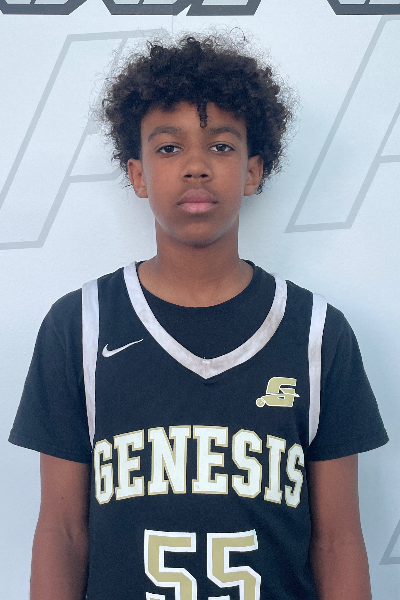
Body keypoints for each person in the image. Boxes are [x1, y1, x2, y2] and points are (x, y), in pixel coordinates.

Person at [9, 33, 388, 600]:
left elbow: (337, 542)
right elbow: (62, 533)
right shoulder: (79, 326)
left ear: (253, 172)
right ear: (137, 174)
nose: (195, 166)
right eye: (168, 148)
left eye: (221, 146)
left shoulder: (316, 333)